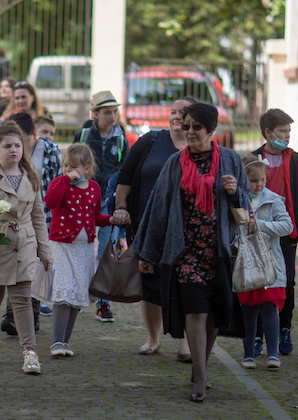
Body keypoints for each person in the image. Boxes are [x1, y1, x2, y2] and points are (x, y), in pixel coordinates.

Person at [132, 103, 249, 403]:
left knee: (212, 316)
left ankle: (201, 366)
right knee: (195, 311)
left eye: (197, 126)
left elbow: (247, 209)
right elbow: (157, 209)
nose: (191, 131)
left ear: (212, 130)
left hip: (220, 251)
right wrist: (147, 253)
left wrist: (235, 192)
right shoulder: (175, 163)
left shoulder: (232, 161)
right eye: (187, 126)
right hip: (185, 251)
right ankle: (200, 375)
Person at [0, 122, 53, 375]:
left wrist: (45, 252)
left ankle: (30, 353)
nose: (13, 150)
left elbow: (38, 217)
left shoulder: (31, 176)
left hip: (23, 245)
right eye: (7, 146)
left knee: (23, 300)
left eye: (17, 145)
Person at [113, 97, 196, 360]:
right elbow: (125, 177)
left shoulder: (199, 148)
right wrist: (122, 207)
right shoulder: (149, 141)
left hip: (186, 228)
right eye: (173, 112)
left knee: (182, 282)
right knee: (150, 281)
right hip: (147, 225)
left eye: (182, 113)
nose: (176, 117)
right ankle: (152, 338)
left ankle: (184, 341)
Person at [46, 143, 113, 357]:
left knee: (76, 295)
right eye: (66, 166)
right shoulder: (60, 183)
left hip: (84, 249)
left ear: (87, 167)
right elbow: (50, 202)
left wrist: (111, 219)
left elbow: (95, 217)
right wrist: (66, 180)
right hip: (63, 245)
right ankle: (56, 341)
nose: (69, 170)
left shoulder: (94, 188)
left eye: (74, 167)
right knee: (64, 290)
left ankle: (65, 342)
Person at [0, 112, 62, 333]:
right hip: (14, 216)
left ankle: (32, 315)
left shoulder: (51, 153)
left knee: (38, 265)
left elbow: (58, 183)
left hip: (43, 217)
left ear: (33, 135)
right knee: (14, 262)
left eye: (21, 140)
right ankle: (11, 313)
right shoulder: (9, 150)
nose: (16, 147)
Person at [74, 90, 129, 323]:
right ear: (95, 113)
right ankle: (75, 295)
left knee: (106, 251)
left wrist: (122, 203)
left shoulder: (121, 139)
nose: (113, 116)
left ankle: (103, 302)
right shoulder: (84, 135)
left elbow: (125, 172)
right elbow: (72, 165)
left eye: (115, 111)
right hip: (83, 201)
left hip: (108, 203)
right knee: (80, 247)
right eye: (107, 112)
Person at [238, 155, 292, 370]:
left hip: (270, 264)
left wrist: (258, 225)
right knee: (248, 311)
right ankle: (249, 354)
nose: (259, 184)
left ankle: (272, 355)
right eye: (254, 180)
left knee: (269, 309)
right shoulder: (238, 200)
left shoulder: (274, 200)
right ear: (244, 180)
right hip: (246, 264)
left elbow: (286, 226)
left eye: (262, 180)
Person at [251, 109, 297, 356]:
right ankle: (257, 334)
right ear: (268, 133)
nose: (287, 136)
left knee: (287, 282)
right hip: (256, 234)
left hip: (286, 233)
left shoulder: (295, 160)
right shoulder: (253, 158)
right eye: (282, 131)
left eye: (289, 131)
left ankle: (284, 328)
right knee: (259, 283)